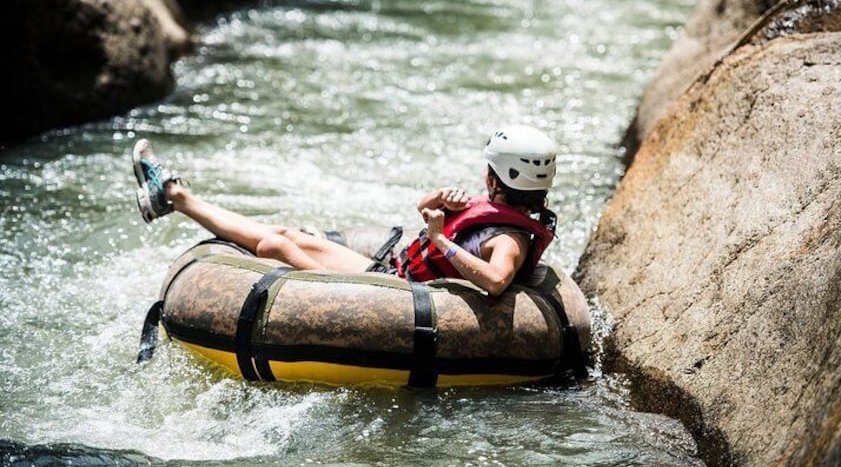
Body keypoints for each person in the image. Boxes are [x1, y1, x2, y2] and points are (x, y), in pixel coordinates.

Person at [132, 125, 558, 296]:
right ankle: (175, 196)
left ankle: (174, 195)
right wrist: (438, 200)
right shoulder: (497, 213)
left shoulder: (508, 239)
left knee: (275, 246)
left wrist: (440, 239)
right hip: (392, 276)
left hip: (393, 296)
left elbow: (498, 281)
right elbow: (421, 208)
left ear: (493, 178)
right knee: (290, 235)